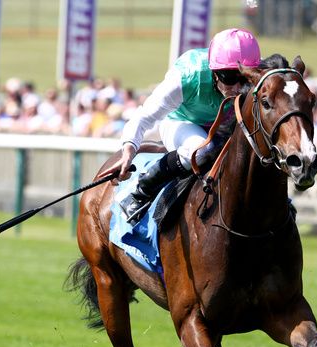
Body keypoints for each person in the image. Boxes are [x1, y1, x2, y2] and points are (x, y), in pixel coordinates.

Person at [103, 28, 261, 223]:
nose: (237, 88)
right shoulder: (188, 76)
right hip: (180, 121)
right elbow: (144, 117)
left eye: (244, 78)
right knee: (201, 150)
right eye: (228, 77)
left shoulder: (258, 75)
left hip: (224, 126)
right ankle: (141, 190)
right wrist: (128, 150)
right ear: (214, 71)